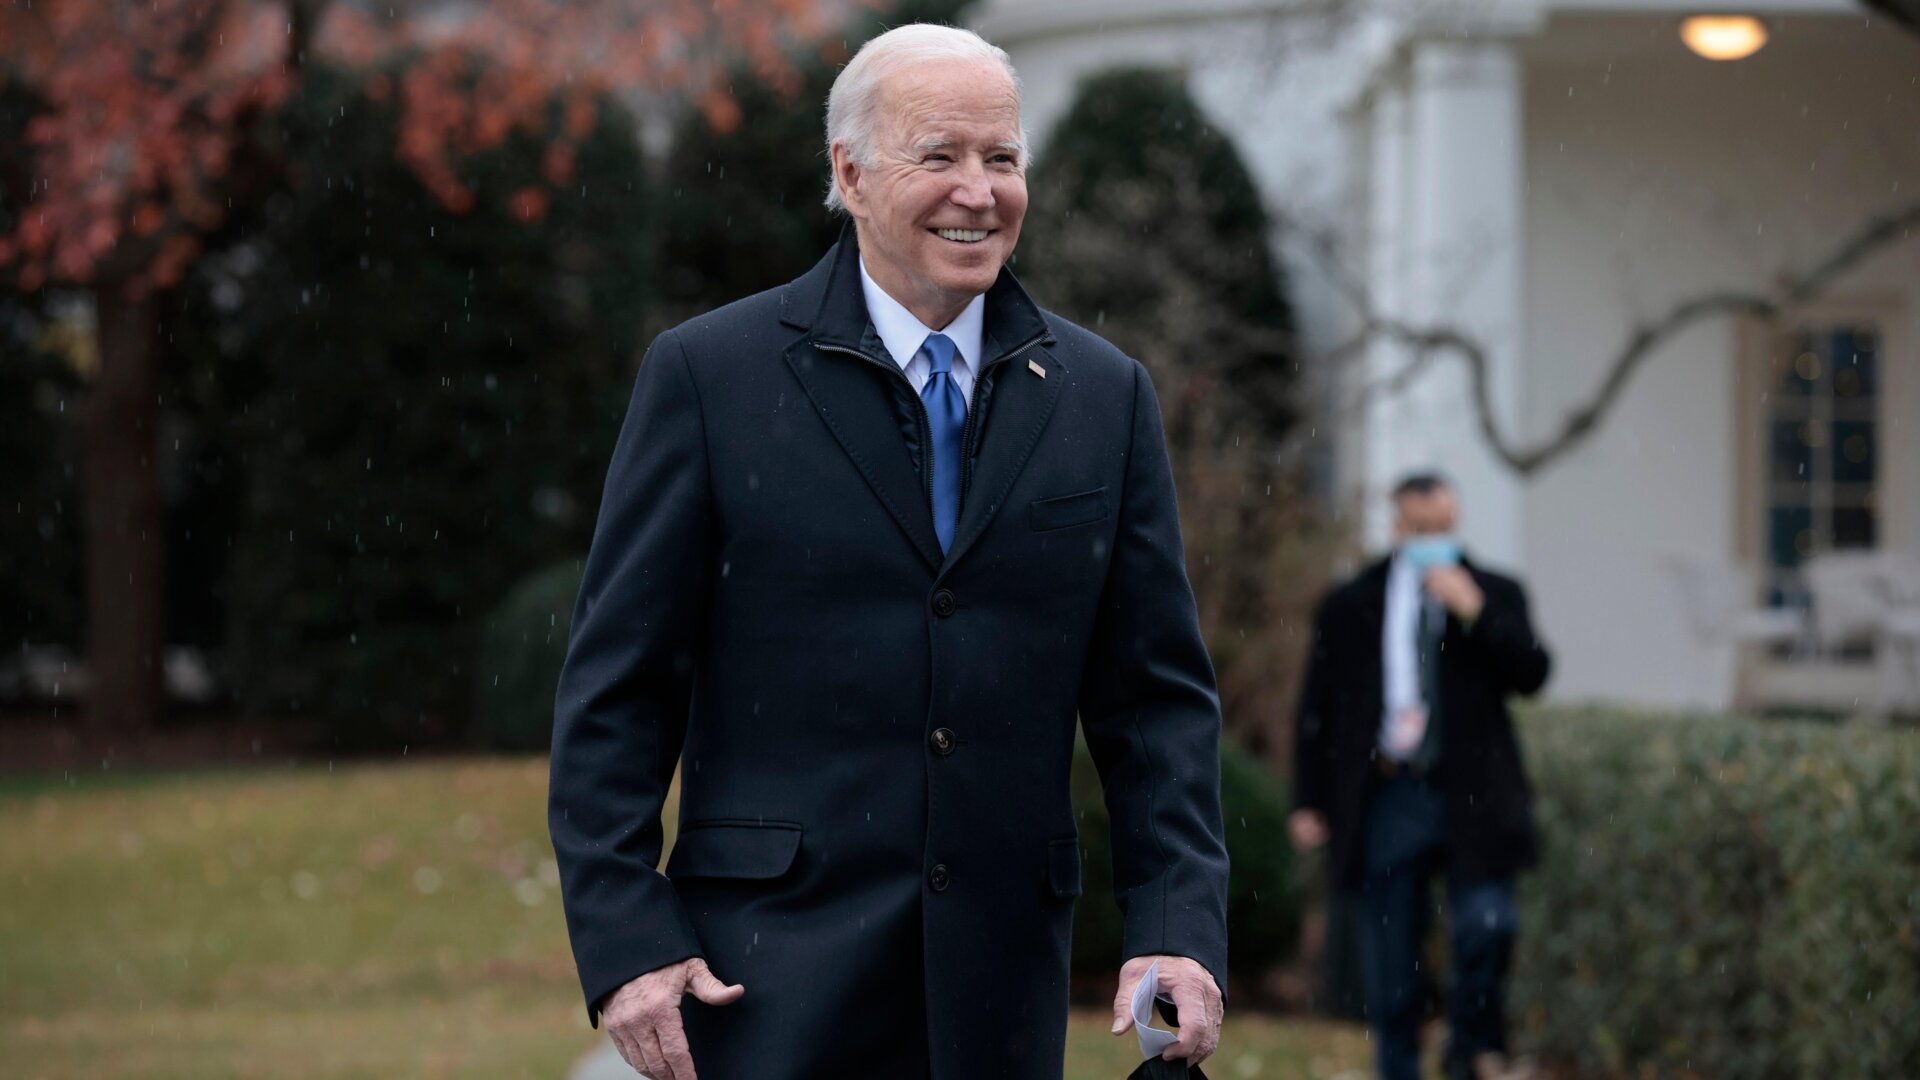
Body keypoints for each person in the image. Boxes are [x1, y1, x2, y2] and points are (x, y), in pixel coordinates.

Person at [548, 24, 1228, 1080]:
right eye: (941, 156)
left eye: (1002, 159)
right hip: (765, 977)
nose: (979, 190)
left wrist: (1179, 920)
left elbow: (1155, 704)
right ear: (851, 174)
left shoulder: (1105, 398)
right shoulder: (709, 378)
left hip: (1001, 987)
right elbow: (616, 694)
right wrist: (631, 942)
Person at [1290, 474, 1551, 1080]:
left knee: (1488, 924)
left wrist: (1477, 614)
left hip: (1475, 793)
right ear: (1399, 525)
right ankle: (1399, 1061)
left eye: (1445, 526)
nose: (1436, 539)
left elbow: (1533, 673)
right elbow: (1318, 708)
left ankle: (1467, 1047)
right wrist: (1309, 799)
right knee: (1389, 950)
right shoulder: (1353, 602)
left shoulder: (1495, 591)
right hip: (1390, 790)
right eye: (1423, 528)